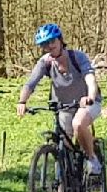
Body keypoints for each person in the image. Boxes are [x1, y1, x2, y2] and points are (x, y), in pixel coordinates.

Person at [16, 23, 102, 175]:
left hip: (87, 103)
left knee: (78, 124)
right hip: (64, 106)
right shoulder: (45, 62)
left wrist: (90, 96)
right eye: (44, 44)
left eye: (52, 41)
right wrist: (22, 101)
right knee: (63, 144)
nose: (49, 46)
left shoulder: (77, 57)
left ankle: (92, 158)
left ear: (60, 40)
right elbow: (30, 83)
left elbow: (90, 79)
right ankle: (64, 189)